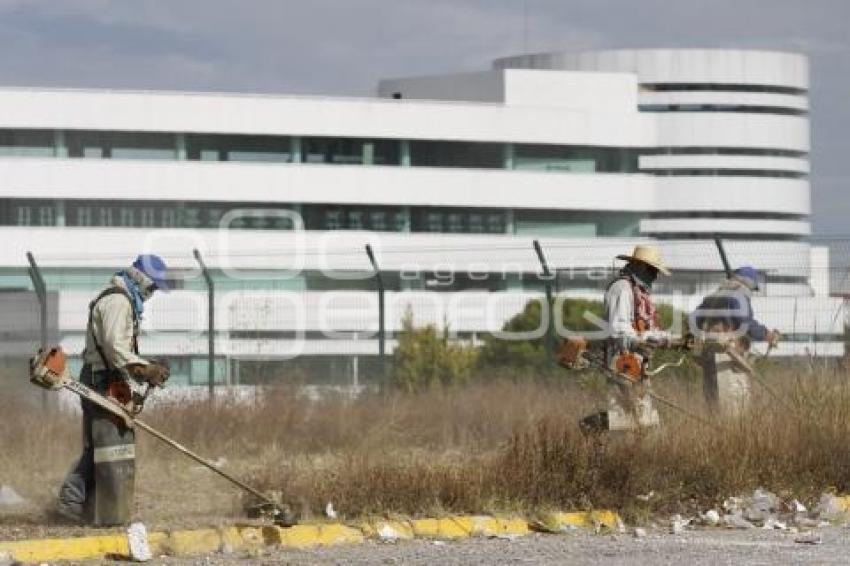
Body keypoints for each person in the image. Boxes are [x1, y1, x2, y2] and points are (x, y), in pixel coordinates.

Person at [56, 255, 172, 526]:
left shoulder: (123, 299)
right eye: (153, 287)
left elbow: (118, 349)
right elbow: (113, 347)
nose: (152, 293)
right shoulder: (118, 300)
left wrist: (146, 368)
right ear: (141, 278)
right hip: (100, 380)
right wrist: (146, 368)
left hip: (106, 378)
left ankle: (86, 507)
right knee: (108, 446)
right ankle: (71, 502)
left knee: (106, 446)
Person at [580, 245, 673, 432]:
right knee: (627, 414)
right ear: (638, 265)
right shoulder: (621, 289)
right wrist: (646, 339)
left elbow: (647, 328)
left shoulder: (639, 291)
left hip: (638, 360)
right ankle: (591, 426)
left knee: (640, 415)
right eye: (652, 269)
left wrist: (667, 338)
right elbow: (619, 329)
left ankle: (606, 436)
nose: (655, 275)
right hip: (622, 359)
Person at [692, 266, 780, 416]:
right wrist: (767, 334)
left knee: (713, 405)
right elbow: (745, 323)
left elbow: (694, 319)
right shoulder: (739, 295)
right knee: (735, 408)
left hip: (708, 356)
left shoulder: (714, 297)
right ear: (749, 284)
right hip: (728, 355)